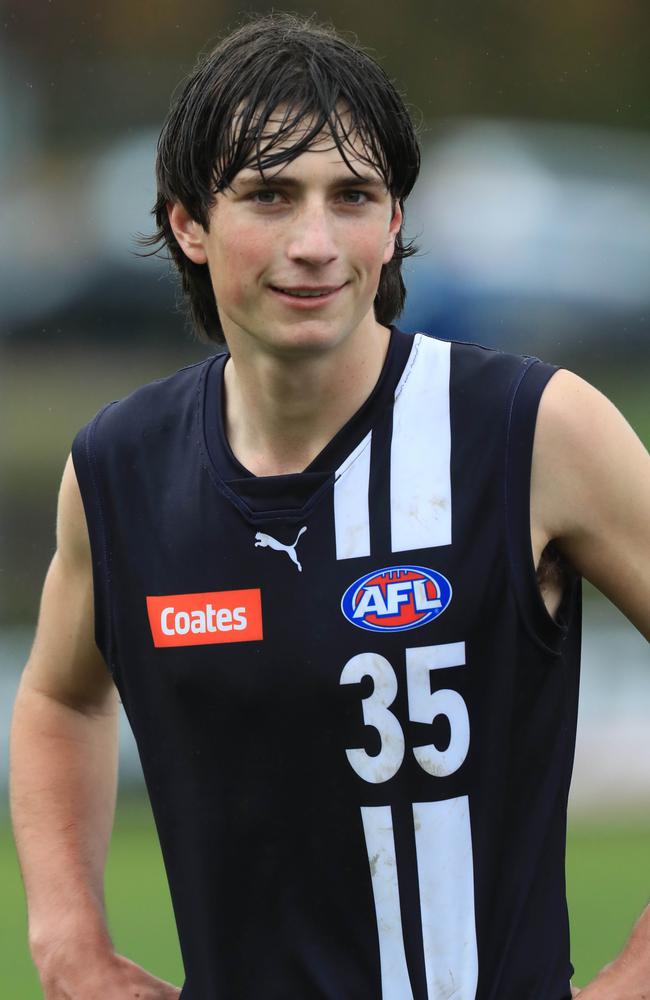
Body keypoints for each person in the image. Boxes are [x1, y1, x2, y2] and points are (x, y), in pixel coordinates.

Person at [9, 12, 650, 1000]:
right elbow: (59, 697)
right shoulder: (118, 470)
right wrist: (69, 945)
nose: (314, 243)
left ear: (393, 223)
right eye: (268, 195)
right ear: (188, 221)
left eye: (351, 195)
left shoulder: (534, 430)